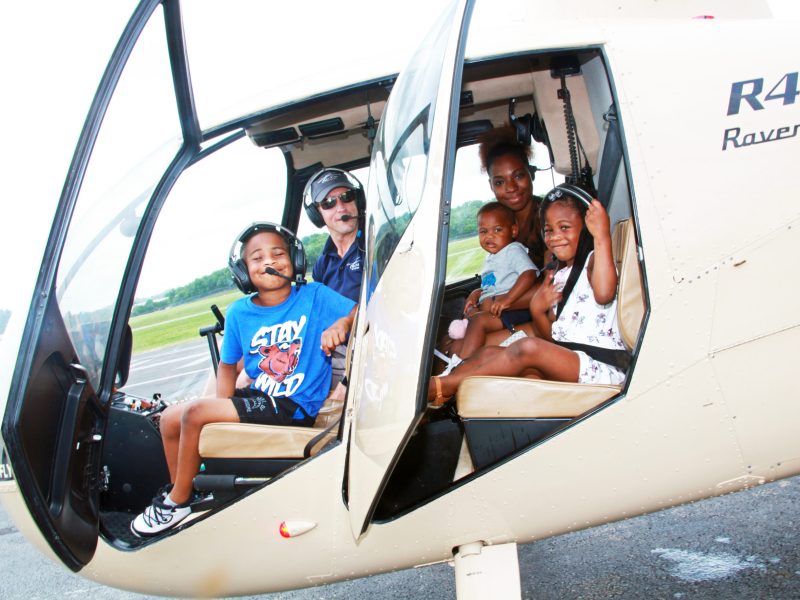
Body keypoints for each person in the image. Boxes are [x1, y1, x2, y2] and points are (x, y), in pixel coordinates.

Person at [131, 223, 356, 537]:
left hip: (295, 406)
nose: (270, 262)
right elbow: (227, 367)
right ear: (243, 272)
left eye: (278, 254)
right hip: (261, 397)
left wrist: (343, 323)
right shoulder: (239, 313)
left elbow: (361, 308)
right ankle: (184, 493)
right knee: (170, 419)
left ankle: (175, 501)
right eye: (257, 258)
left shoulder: (314, 296)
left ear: (295, 260)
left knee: (195, 413)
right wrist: (221, 407)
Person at [429, 185, 627, 406]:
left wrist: (601, 236)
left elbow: (604, 293)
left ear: (587, 228)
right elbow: (552, 337)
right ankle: (446, 387)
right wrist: (537, 309)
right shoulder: (559, 275)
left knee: (527, 347)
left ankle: (444, 386)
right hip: (569, 356)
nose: (555, 237)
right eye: (549, 230)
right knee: (490, 353)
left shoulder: (593, 261)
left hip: (598, 367)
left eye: (564, 227)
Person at [443, 202, 538, 373]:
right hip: (497, 311)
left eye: (497, 230)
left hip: (512, 312)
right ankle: (457, 361)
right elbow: (490, 286)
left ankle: (461, 368)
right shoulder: (491, 258)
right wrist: (475, 293)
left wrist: (508, 299)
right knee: (457, 335)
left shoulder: (512, 250)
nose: (490, 236)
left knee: (478, 320)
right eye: (483, 231)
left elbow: (529, 273)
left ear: (513, 231)